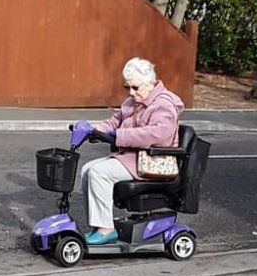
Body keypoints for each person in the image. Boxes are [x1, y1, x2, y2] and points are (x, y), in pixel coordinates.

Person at [72, 57, 184, 245]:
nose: (131, 93)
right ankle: (100, 225)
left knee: (99, 173)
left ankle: (106, 229)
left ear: (150, 83)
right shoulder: (133, 102)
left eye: (135, 87)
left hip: (155, 160)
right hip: (134, 157)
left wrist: (119, 136)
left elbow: (158, 136)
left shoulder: (163, 104)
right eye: (127, 88)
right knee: (87, 170)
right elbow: (114, 121)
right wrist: (93, 130)